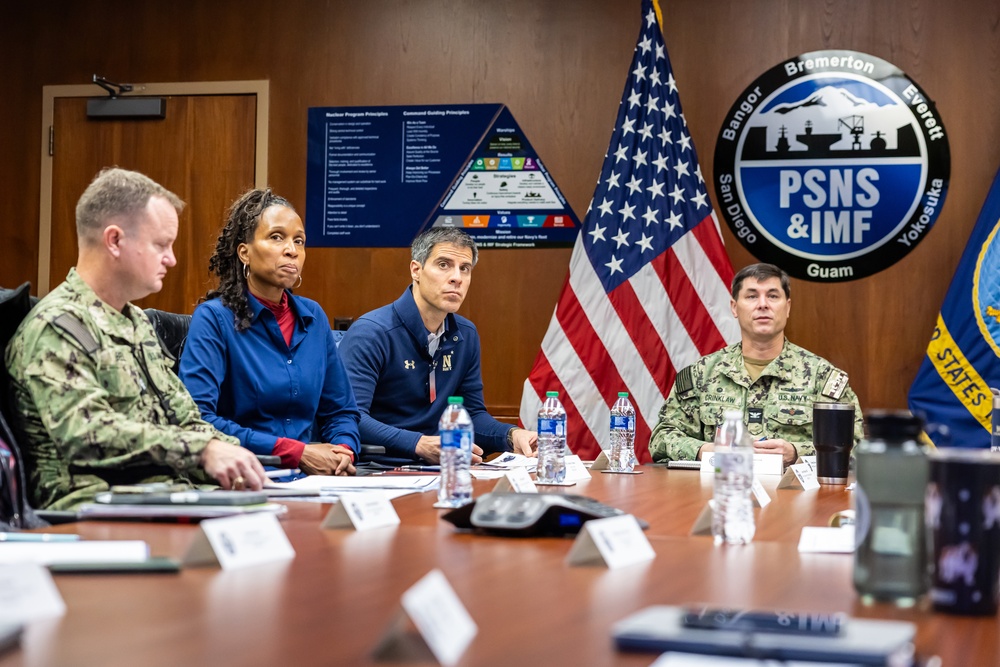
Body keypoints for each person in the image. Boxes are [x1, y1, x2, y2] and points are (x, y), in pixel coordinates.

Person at [5, 168, 266, 510]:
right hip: (93, 510)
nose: (171, 259)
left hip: (164, 496)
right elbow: (88, 435)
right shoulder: (56, 326)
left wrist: (236, 455)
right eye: (161, 244)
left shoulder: (136, 321)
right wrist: (202, 452)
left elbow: (185, 417)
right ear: (114, 240)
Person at [179, 189, 360, 476]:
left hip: (315, 481)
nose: (292, 250)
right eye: (277, 237)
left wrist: (343, 450)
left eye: (298, 241)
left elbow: (340, 411)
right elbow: (199, 419)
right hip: (244, 477)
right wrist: (295, 452)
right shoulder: (214, 318)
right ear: (244, 252)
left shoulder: (313, 317)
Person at [339, 227, 536, 466]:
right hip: (379, 468)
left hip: (444, 468)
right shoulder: (372, 332)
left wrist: (511, 435)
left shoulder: (466, 334)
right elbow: (350, 417)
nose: (457, 278)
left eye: (465, 268)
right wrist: (418, 444)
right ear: (416, 270)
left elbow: (472, 415)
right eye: (444, 265)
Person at [649, 262, 863, 465]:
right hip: (720, 490)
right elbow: (661, 438)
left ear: (787, 308)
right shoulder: (701, 374)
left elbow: (856, 446)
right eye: (752, 296)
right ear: (734, 308)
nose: (763, 304)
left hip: (796, 497)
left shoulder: (823, 377)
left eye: (772, 296)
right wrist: (706, 450)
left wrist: (797, 452)